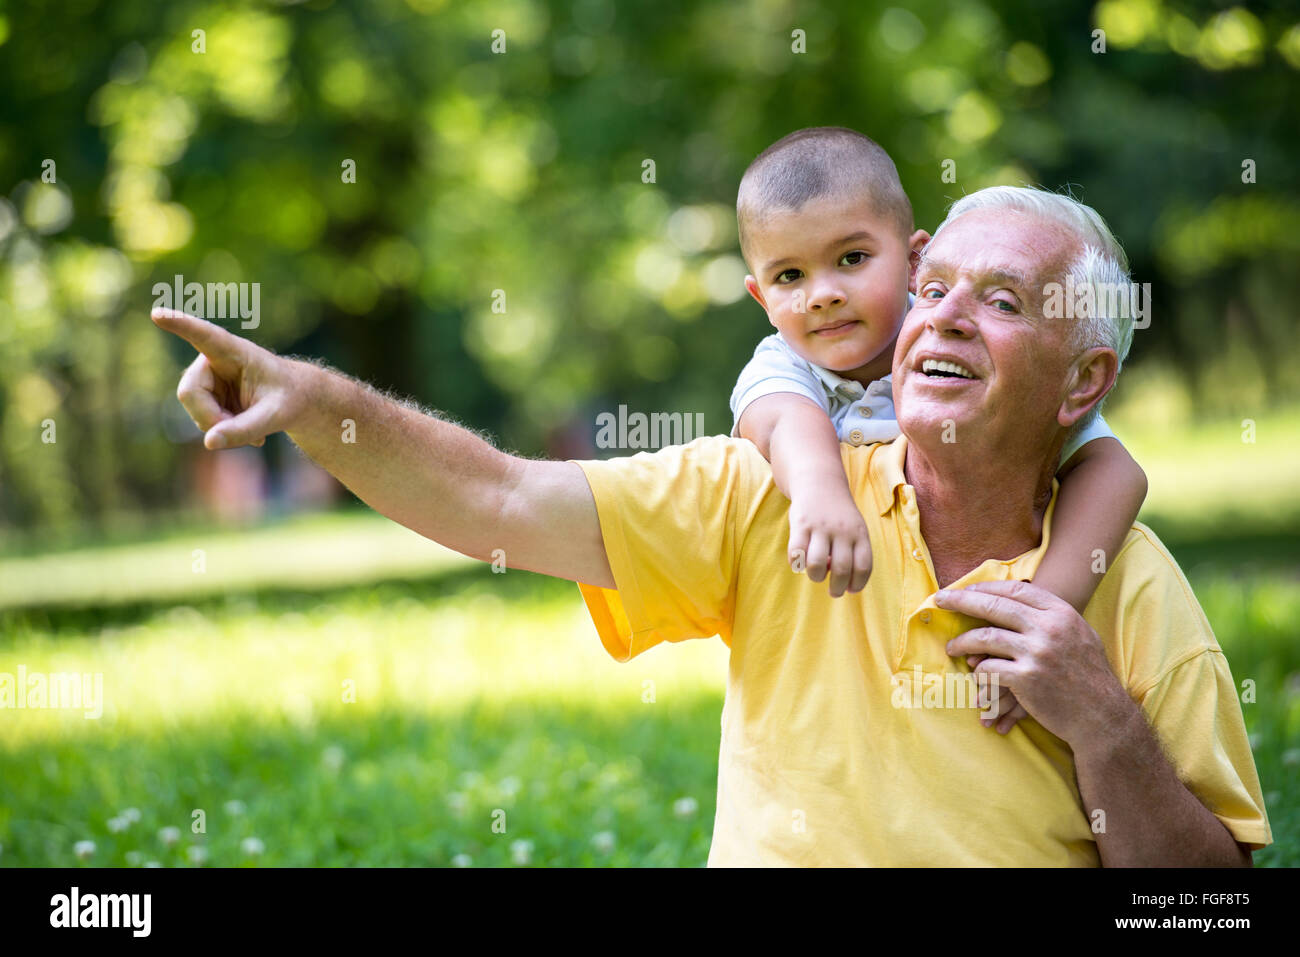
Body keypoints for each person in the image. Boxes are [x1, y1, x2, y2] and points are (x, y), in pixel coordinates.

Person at [151, 184, 1270, 866]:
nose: (945, 319)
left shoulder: (1129, 587)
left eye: (1004, 302)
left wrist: (1103, 727)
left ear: (1083, 385)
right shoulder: (770, 488)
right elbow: (496, 497)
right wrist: (317, 402)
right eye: (933, 287)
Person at [730, 128, 1147, 733]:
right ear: (760, 296)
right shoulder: (784, 364)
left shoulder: (955, 342)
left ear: (914, 258)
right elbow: (782, 418)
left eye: (852, 259)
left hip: (964, 624)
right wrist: (821, 492)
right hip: (843, 630)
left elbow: (1115, 471)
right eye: (789, 277)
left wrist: (1043, 613)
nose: (823, 295)